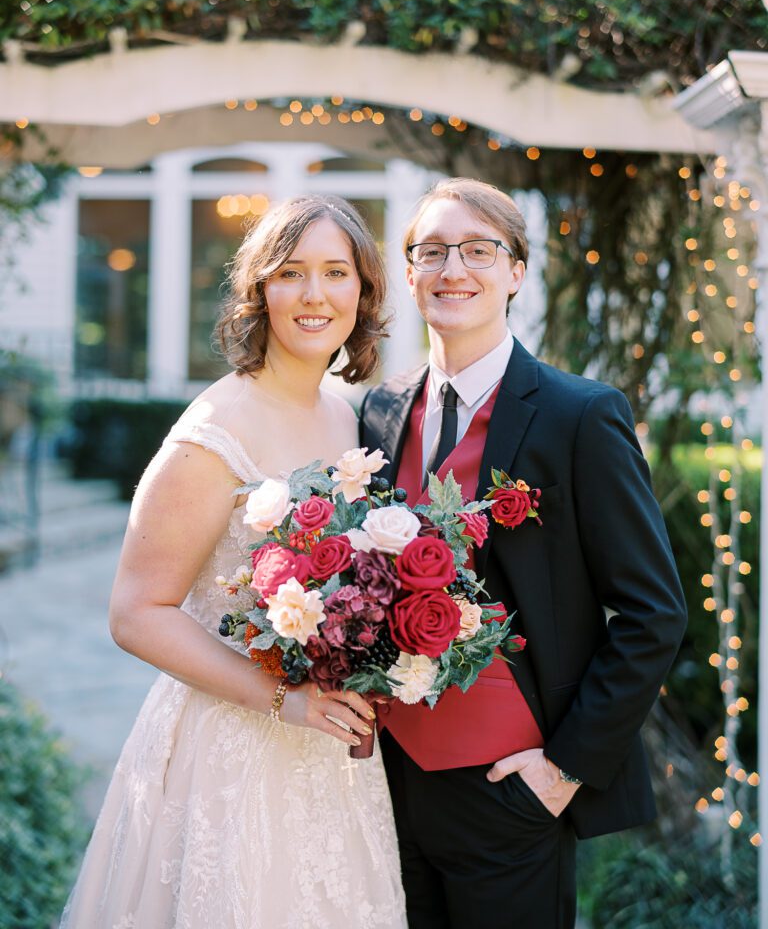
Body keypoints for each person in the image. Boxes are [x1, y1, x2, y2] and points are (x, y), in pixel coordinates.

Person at [61, 196, 407, 929]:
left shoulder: (352, 415)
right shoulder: (214, 432)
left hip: (331, 755)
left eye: (336, 273)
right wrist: (286, 700)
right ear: (261, 292)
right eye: (292, 273)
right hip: (232, 750)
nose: (315, 294)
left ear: (363, 293)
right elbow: (136, 613)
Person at [360, 177, 687, 929]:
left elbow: (654, 614)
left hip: (512, 786)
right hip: (385, 782)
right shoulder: (377, 411)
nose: (454, 270)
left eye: (480, 249)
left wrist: (563, 769)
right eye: (432, 251)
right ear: (409, 274)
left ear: (517, 272)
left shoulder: (580, 415)